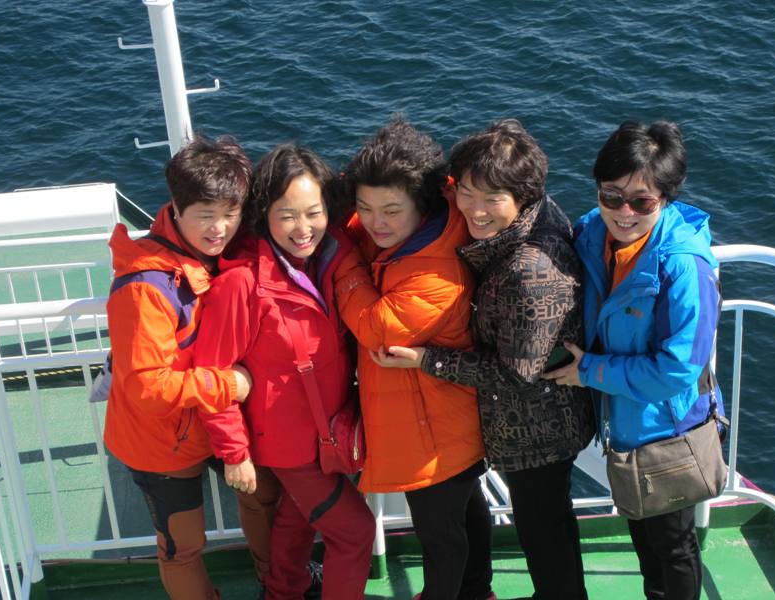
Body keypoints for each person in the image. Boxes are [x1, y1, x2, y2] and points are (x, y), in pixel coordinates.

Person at [374, 119, 595, 600]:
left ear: (521, 196)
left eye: (490, 198)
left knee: (544, 536)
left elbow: (516, 376)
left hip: (537, 431)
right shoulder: (524, 227)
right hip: (529, 423)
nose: (474, 209)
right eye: (466, 192)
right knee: (548, 527)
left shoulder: (530, 271)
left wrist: (426, 360)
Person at [543, 120, 721, 600]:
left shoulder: (684, 265)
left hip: (666, 427)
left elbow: (678, 369)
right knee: (644, 537)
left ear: (665, 198)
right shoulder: (589, 233)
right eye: (611, 195)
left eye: (641, 201)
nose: (623, 212)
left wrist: (591, 372)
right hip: (623, 418)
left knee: (673, 546)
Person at [193, 143, 375, 600]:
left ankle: (283, 591)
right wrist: (234, 451)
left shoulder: (329, 254)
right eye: (286, 214)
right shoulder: (243, 284)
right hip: (290, 446)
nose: (303, 228)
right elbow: (210, 372)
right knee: (354, 533)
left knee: (296, 520)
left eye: (312, 212)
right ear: (263, 213)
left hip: (328, 432)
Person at [104, 135, 281, 600]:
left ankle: (279, 585)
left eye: (230, 213)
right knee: (182, 546)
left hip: (215, 423)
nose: (219, 228)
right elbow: (147, 388)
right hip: (163, 441)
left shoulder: (222, 251)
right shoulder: (144, 288)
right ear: (176, 209)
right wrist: (231, 383)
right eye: (206, 214)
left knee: (262, 499)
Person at [333, 116, 494, 600]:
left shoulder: (437, 272)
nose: (376, 222)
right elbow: (363, 224)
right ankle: (477, 591)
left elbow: (377, 329)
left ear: (419, 205)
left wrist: (343, 263)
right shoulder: (425, 227)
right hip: (449, 415)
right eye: (365, 207)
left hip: (432, 429)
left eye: (390, 211)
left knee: (440, 535)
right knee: (467, 512)